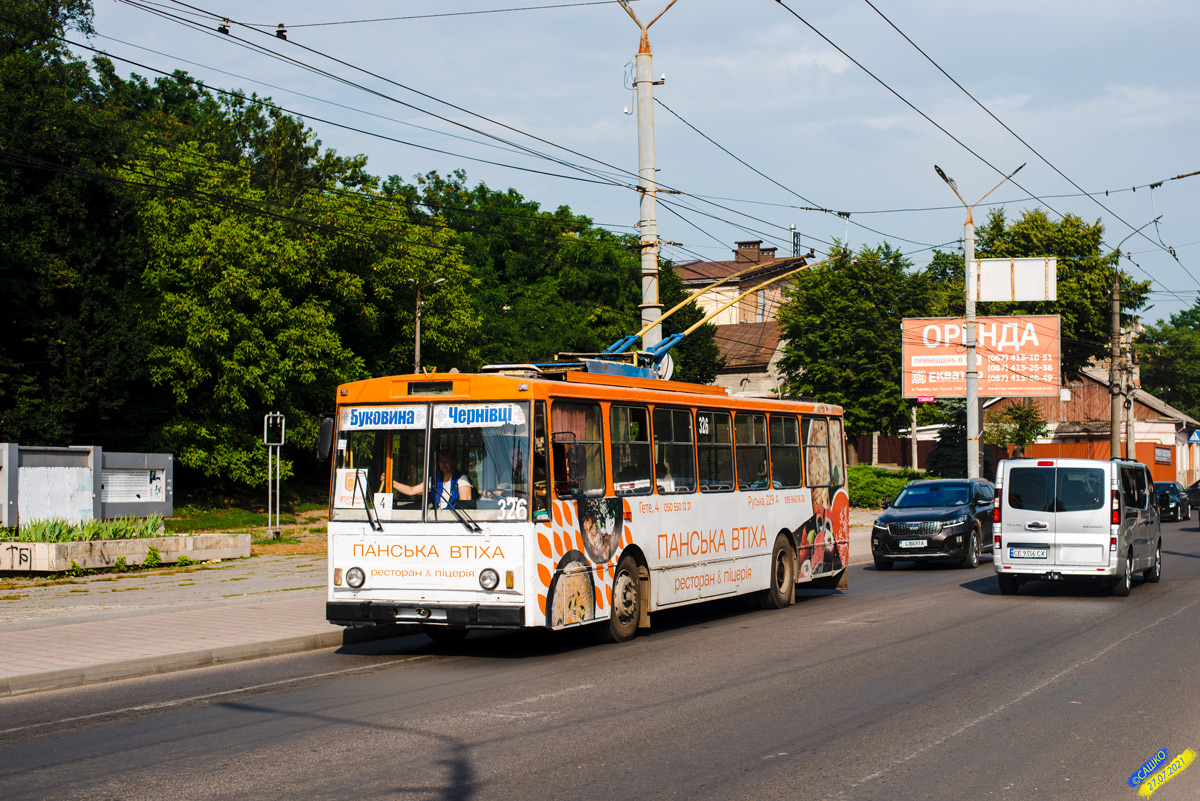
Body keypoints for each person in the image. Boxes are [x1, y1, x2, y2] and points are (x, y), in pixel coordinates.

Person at [393, 450, 473, 509]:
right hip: (437, 518)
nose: (444, 464)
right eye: (441, 461)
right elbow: (411, 490)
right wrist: (391, 482)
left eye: (446, 461)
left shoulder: (462, 479)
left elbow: (465, 507)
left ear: (453, 462)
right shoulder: (434, 479)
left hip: (454, 519)